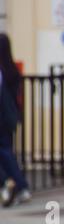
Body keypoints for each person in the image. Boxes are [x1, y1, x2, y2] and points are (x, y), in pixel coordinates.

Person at [0, 33, 31, 207]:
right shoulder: (12, 70)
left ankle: (7, 183)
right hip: (10, 118)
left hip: (2, 118)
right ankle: (20, 187)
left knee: (5, 153)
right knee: (7, 153)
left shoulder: (2, 72)